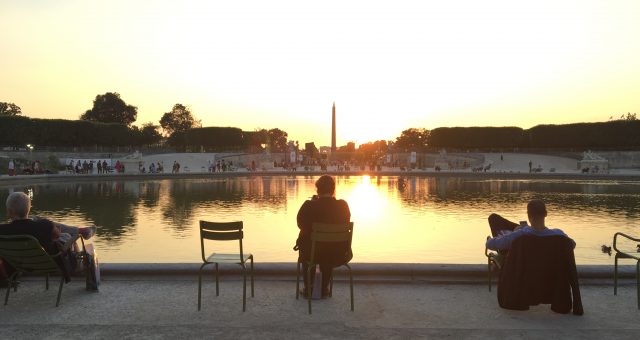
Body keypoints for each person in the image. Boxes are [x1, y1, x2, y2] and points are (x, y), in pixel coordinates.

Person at [0, 192, 97, 282]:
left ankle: (80, 231)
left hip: (19, 266)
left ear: (9, 211)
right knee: (67, 236)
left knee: (35, 219)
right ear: (29, 208)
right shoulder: (44, 225)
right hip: (48, 265)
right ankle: (78, 260)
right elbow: (57, 235)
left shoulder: (2, 231)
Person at [296, 175, 352, 298]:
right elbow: (346, 220)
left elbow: (300, 225)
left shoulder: (309, 205)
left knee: (308, 248)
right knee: (328, 250)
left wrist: (313, 203)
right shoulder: (343, 206)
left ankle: (309, 288)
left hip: (313, 253)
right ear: (333, 190)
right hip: (338, 253)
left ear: (317, 190)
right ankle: (324, 289)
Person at [486, 199, 575, 252]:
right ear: (546, 214)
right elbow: (572, 244)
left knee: (493, 218)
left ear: (528, 215)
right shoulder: (559, 235)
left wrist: (489, 239)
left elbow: (490, 244)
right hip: (549, 276)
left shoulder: (519, 236)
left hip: (524, 275)